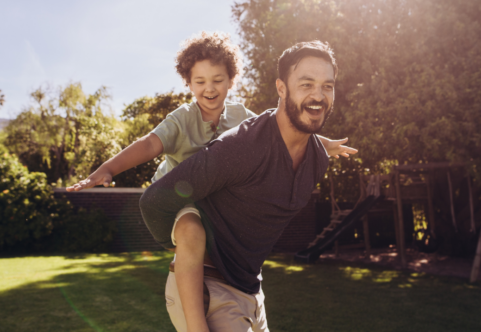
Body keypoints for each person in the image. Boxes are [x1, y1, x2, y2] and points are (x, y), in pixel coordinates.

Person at [67, 33, 356, 332]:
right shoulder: (185, 120)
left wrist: (324, 145)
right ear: (189, 84)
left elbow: (283, 128)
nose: (209, 89)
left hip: (249, 287)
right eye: (307, 84)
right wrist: (109, 168)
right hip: (181, 199)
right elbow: (150, 145)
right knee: (191, 232)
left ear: (231, 81)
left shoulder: (244, 119)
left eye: (217, 80)